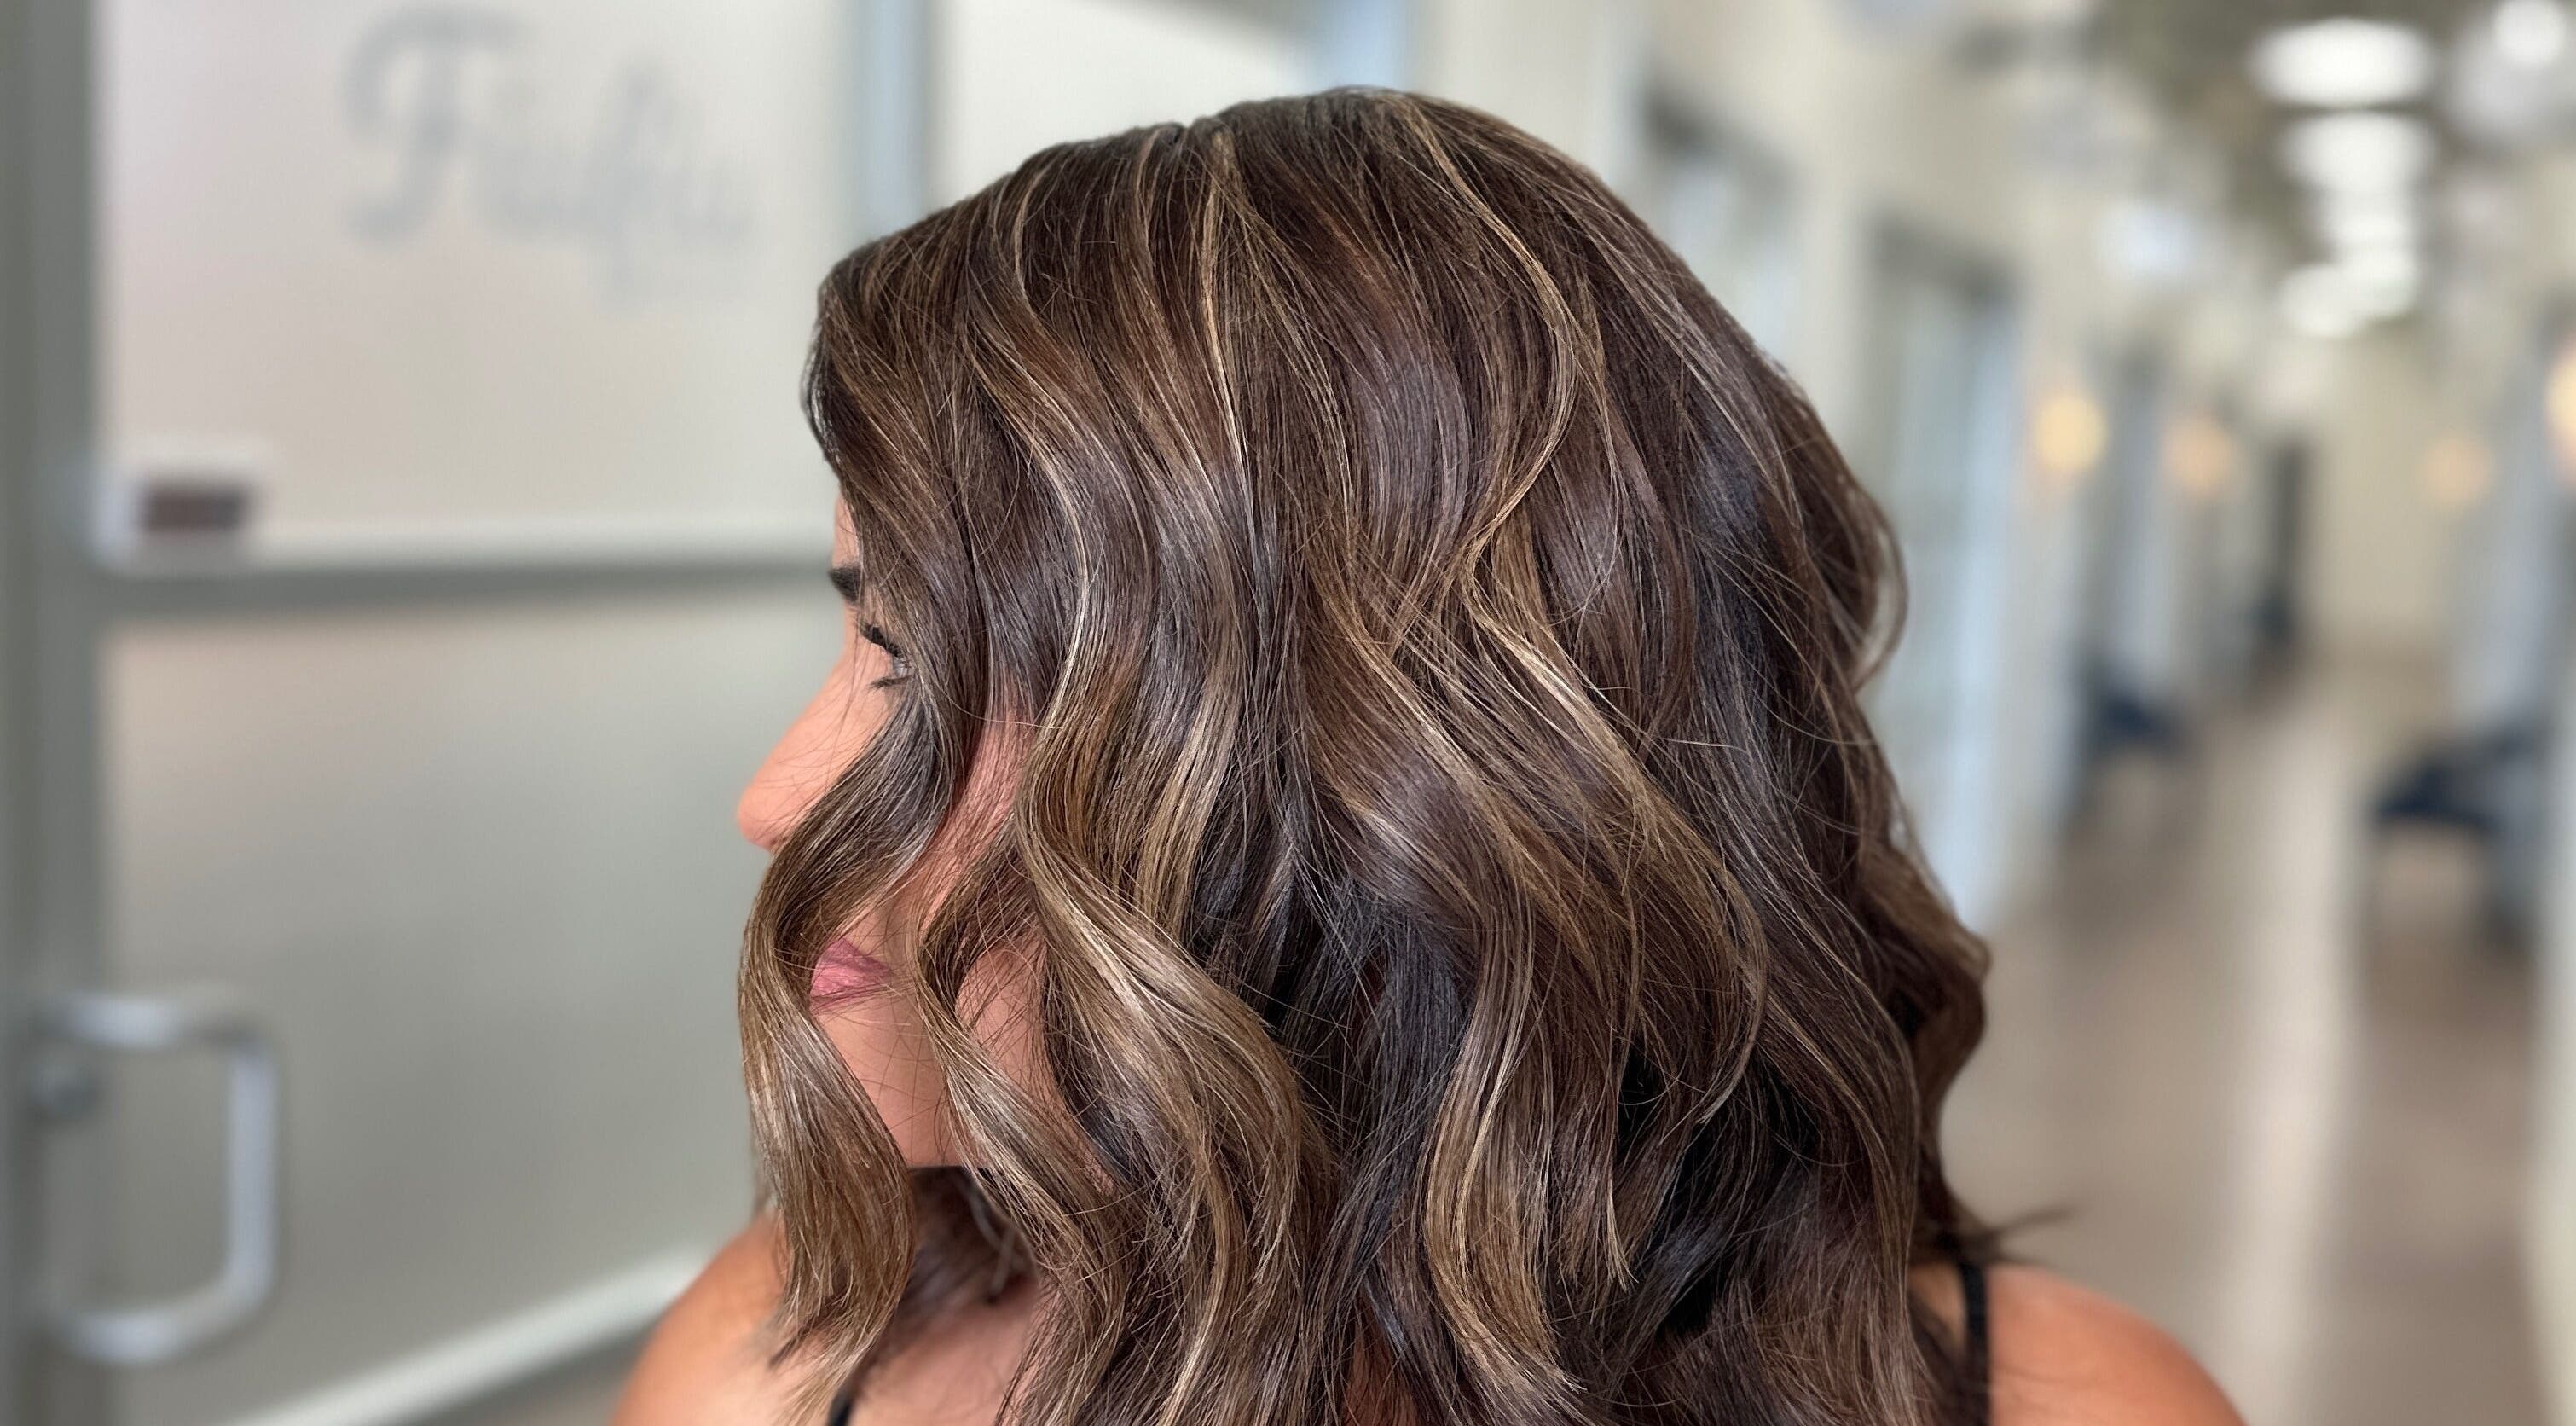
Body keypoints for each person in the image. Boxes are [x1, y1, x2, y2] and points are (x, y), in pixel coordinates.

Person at [614, 89, 2240, 1426]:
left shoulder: (2073, 1407)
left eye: (905, 666)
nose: (777, 799)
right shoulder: (779, 1363)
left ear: (1389, 783)